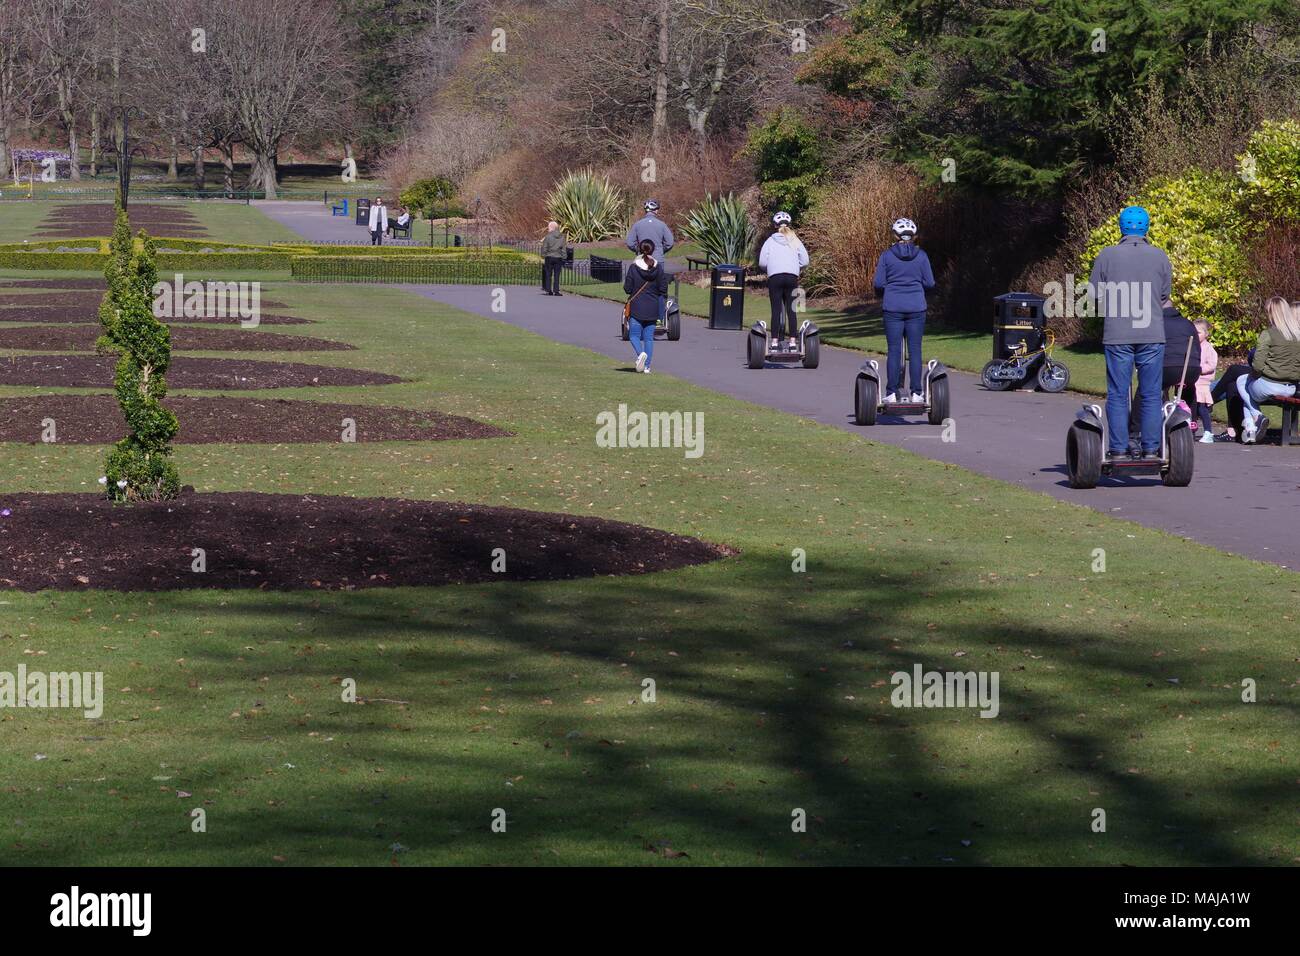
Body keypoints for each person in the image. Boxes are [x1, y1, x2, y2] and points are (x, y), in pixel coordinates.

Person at [1088, 205, 1172, 459]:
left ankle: (1118, 449)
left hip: (1118, 333)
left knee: (1118, 392)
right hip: (1151, 333)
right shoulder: (1160, 256)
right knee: (1150, 392)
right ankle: (1150, 448)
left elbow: (1094, 294)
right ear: (1146, 228)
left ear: (1121, 227)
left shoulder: (1107, 255)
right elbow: (1164, 295)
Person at [872, 217, 935, 403]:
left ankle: (891, 393)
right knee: (915, 350)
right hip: (916, 307)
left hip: (893, 307)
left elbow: (878, 283)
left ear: (895, 235)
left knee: (894, 350)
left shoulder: (886, 256)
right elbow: (930, 283)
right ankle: (916, 393)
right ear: (913, 235)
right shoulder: (922, 255)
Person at [1130, 299, 1199, 441]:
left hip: (1166, 366)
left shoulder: (1154, 323)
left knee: (1144, 389)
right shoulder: (1188, 323)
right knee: (1188, 387)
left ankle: (1135, 430)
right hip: (1191, 367)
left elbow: (1145, 348)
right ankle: (1192, 422)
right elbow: (1197, 347)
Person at [1237, 296, 1300, 444]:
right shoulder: (1298, 336)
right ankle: (1251, 430)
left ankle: (1258, 416)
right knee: (1248, 395)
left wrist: (1254, 375)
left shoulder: (1269, 334)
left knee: (1242, 381)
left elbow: (1257, 366)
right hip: (1291, 387)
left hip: (1269, 385)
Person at [758, 211, 809, 350]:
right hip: (792, 277)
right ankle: (793, 343)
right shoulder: (795, 240)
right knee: (792, 310)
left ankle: (774, 343)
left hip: (775, 277)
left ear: (775, 225)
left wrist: (770, 268)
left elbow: (762, 262)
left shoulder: (770, 241)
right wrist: (795, 267)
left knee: (776, 310)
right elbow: (805, 260)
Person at [623, 239, 669, 374]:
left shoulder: (634, 267)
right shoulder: (658, 267)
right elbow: (663, 288)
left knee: (634, 336)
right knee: (648, 338)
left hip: (637, 306)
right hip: (653, 307)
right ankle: (647, 366)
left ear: (640, 249)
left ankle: (640, 354)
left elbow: (627, 288)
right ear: (653, 250)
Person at [1192, 320, 1219, 444]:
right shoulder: (1191, 345)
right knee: (1191, 408)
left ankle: (1208, 431)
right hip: (1192, 381)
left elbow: (1212, 364)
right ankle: (1191, 429)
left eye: (1199, 332)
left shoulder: (1208, 348)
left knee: (1202, 409)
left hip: (1202, 383)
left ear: (1206, 334)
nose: (1196, 335)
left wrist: (1199, 369)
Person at [540, 220, 567, 296]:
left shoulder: (548, 237)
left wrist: (543, 255)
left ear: (552, 228)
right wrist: (564, 257)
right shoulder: (562, 237)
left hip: (549, 257)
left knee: (548, 274)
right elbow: (563, 248)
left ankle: (549, 290)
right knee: (557, 275)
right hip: (558, 258)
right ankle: (556, 291)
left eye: (548, 227)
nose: (548, 229)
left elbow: (544, 247)